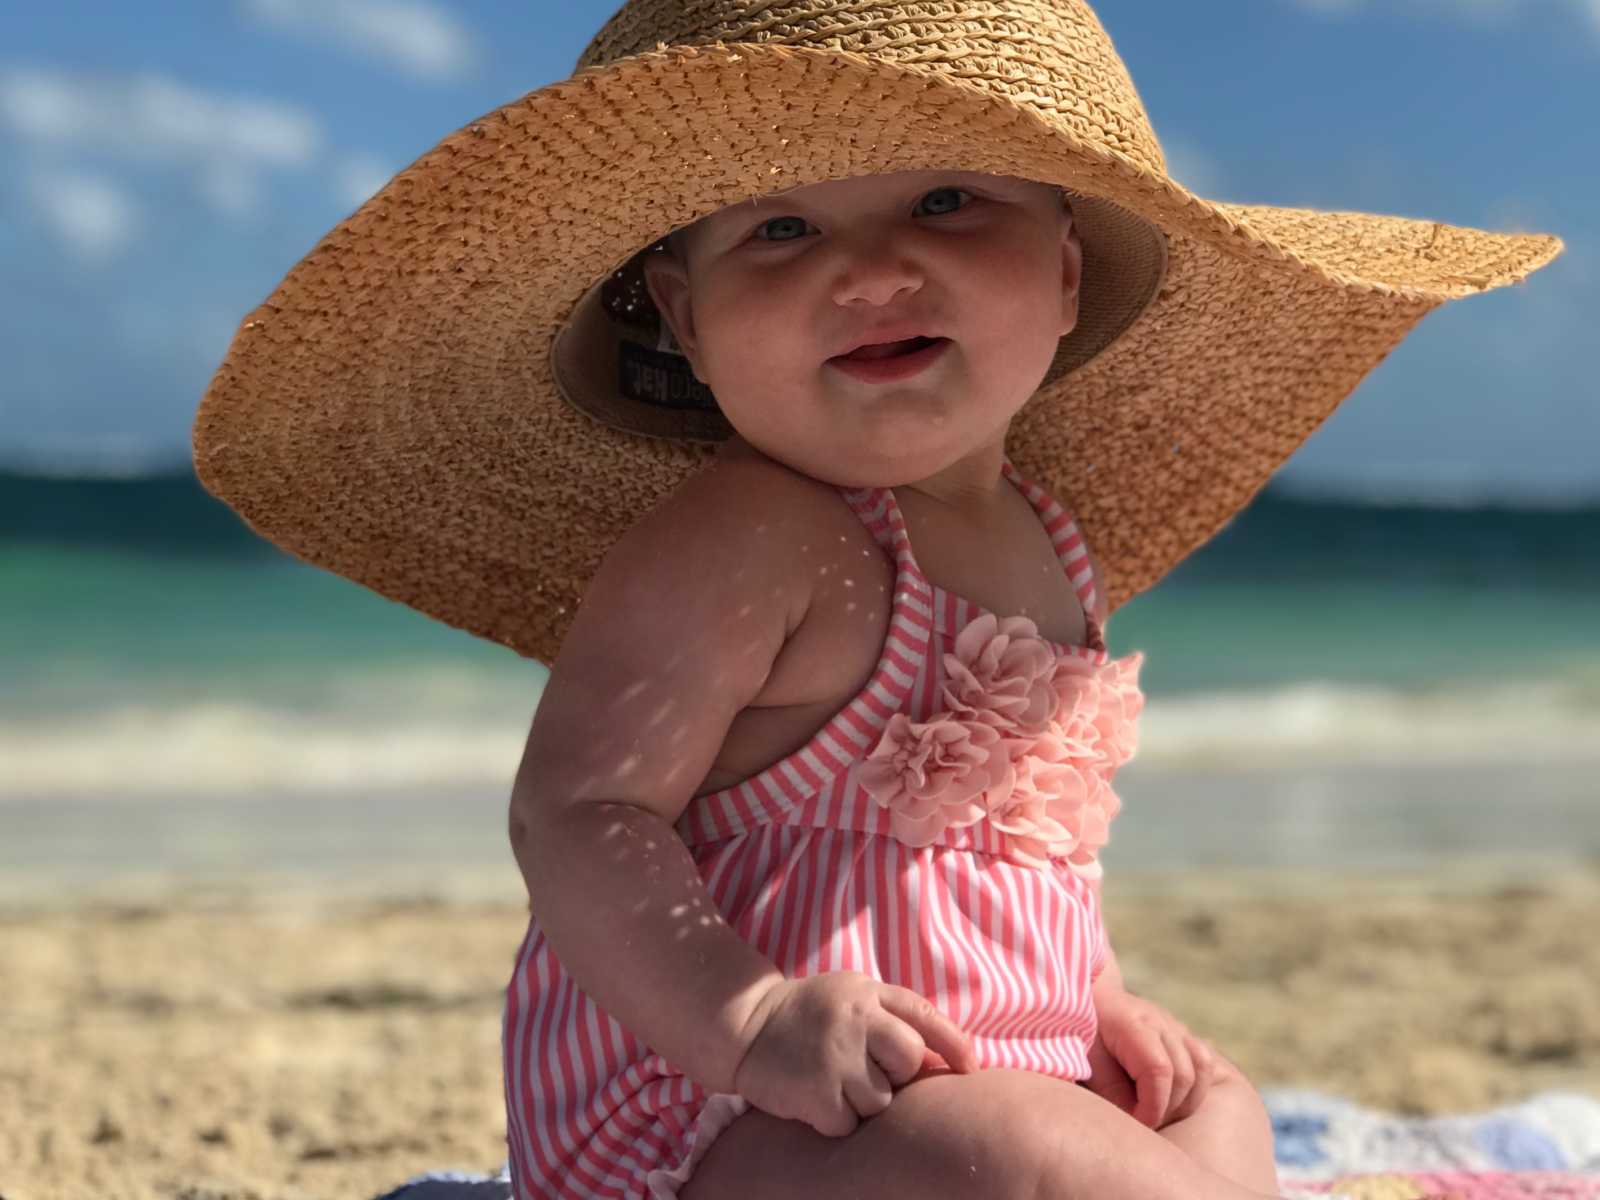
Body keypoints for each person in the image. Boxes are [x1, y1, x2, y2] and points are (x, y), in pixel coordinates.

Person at [190, 2, 1563, 1198]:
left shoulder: (1049, 543)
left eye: (947, 202)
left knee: (1217, 1110)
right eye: (782, 227)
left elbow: (1021, 861)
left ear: (1069, 268)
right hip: (722, 1124)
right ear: (680, 312)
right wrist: (750, 1021)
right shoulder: (748, 537)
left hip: (964, 1090)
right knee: (1016, 1157)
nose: (869, 267)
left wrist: (1098, 1002)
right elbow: (576, 814)